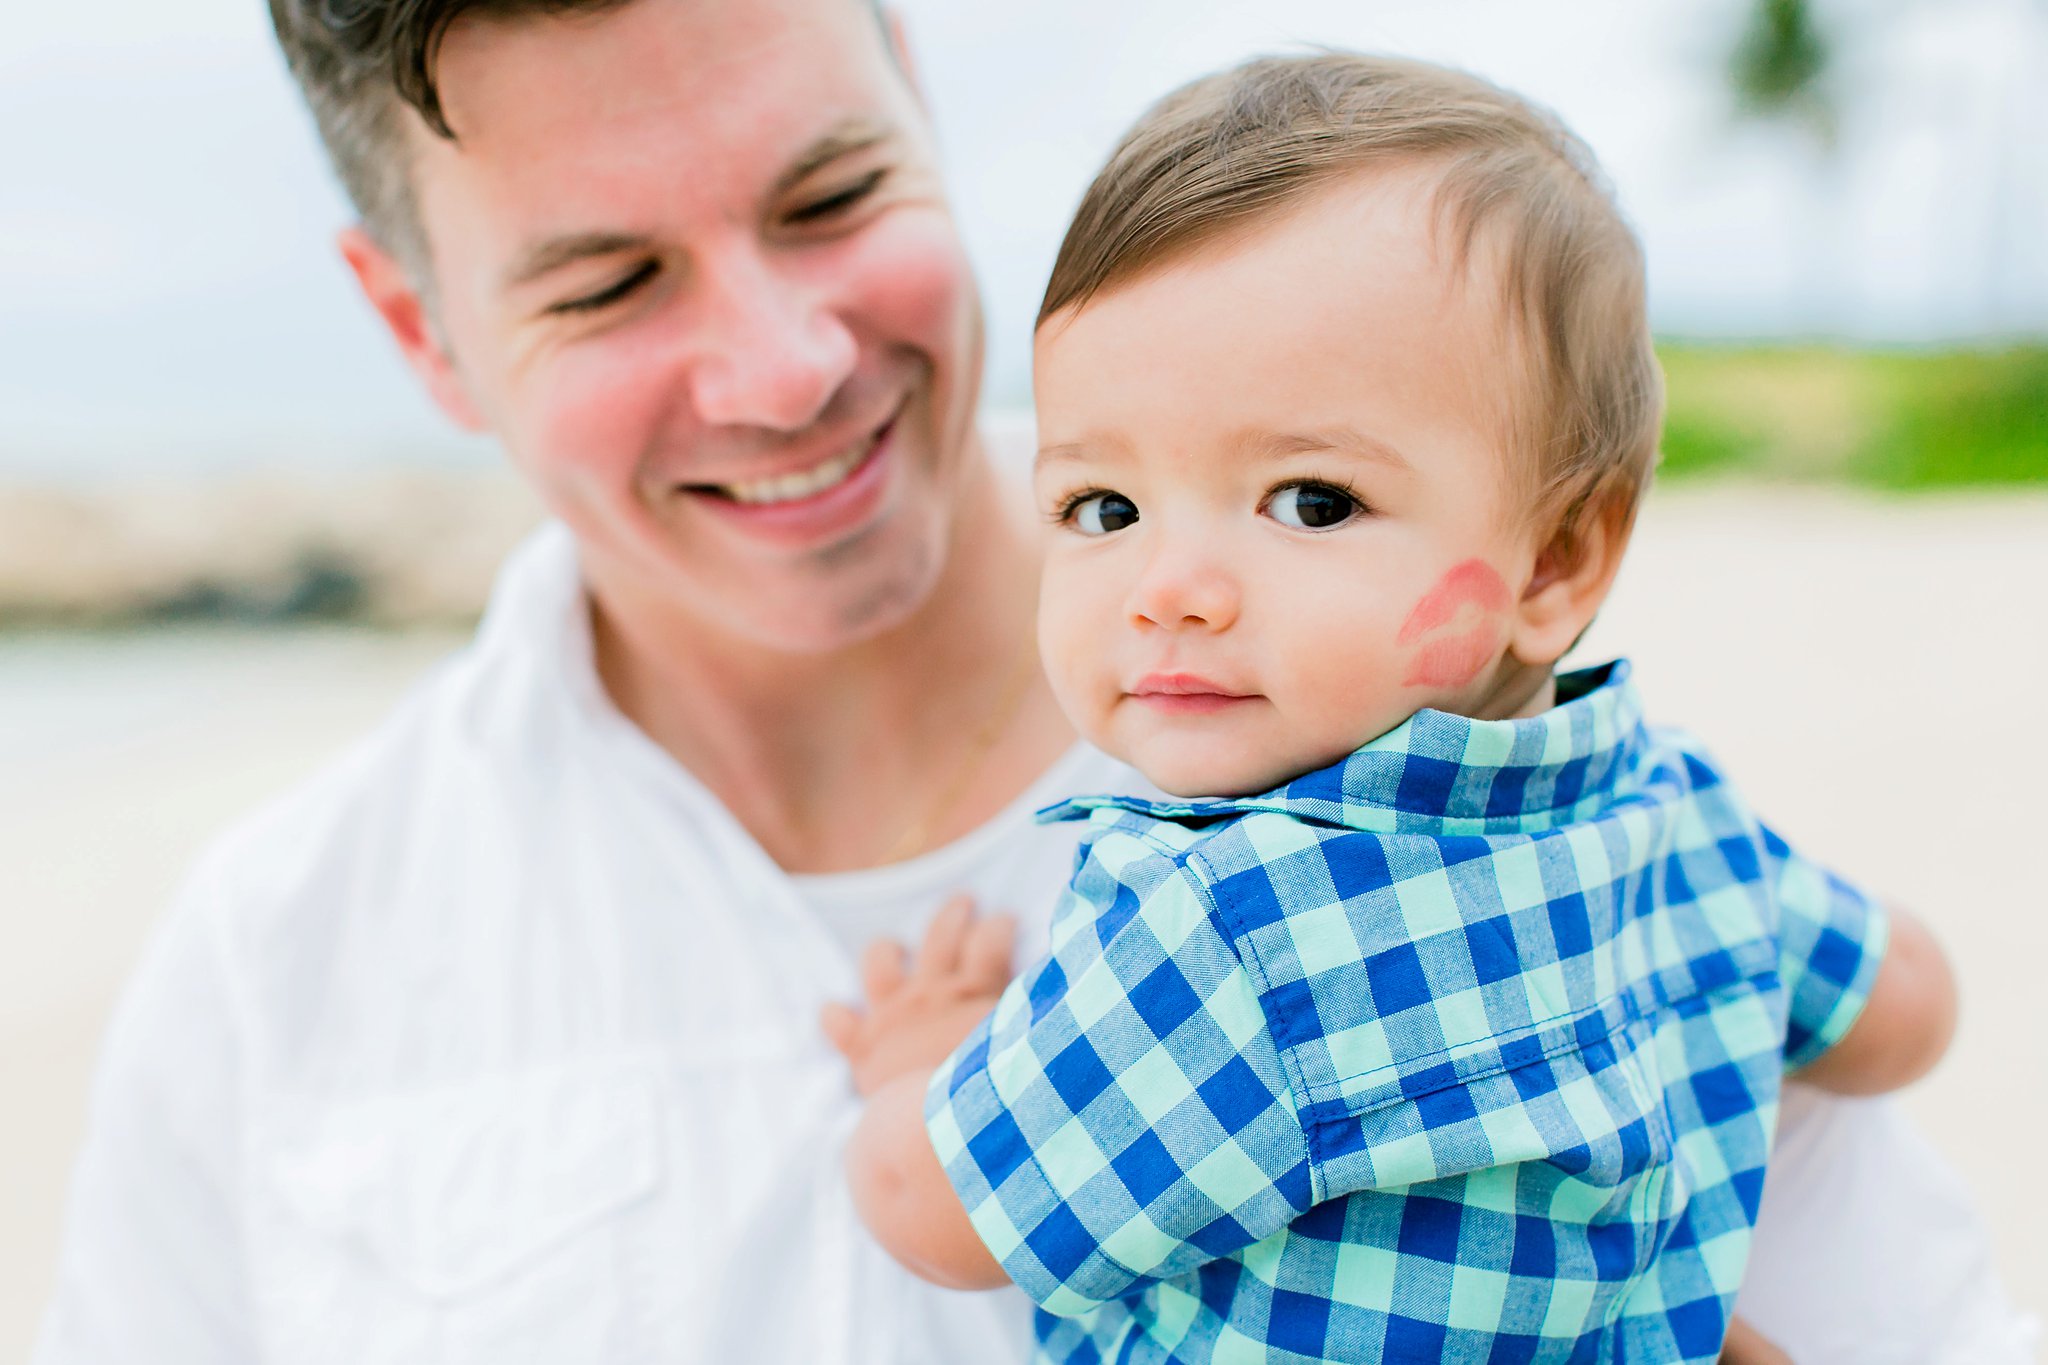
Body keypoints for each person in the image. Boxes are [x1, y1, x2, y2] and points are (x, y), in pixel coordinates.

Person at [30, 4, 2035, 1363]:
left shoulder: (1444, 825)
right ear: (422, 334)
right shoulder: (275, 969)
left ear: (916, 84)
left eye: (830, 199)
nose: (787, 366)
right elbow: (1903, 984)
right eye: (609, 282)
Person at [821, 53, 1963, 1363]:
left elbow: (938, 1209)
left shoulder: (1227, 934)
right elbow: (1908, 1006)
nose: (1168, 589)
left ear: (1557, 562)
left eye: (1310, 500)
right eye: (1104, 507)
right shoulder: (1676, 814)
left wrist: (920, 1063)